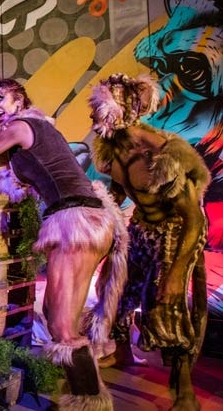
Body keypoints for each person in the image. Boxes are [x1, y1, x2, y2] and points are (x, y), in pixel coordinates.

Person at [0, 78, 128, 410]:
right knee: (54, 316)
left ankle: (89, 403)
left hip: (77, 223)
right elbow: (13, 185)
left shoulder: (21, 126)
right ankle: (85, 394)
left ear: (19, 100)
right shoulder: (30, 133)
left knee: (62, 327)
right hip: (83, 221)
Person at [88, 73, 210, 411]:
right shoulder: (111, 150)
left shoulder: (159, 153)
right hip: (143, 226)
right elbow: (117, 194)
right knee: (114, 288)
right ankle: (122, 352)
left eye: (98, 109)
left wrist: (176, 273)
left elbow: (194, 218)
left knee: (165, 300)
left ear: (119, 112)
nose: (92, 116)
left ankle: (184, 387)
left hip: (178, 227)